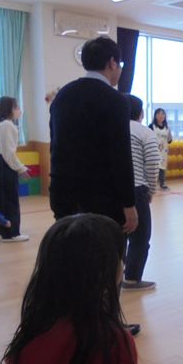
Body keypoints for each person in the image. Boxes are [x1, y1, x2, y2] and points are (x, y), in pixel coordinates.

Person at [2, 214, 157, 364]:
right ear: (103, 272)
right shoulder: (110, 341)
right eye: (120, 258)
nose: (123, 266)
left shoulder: (37, 324)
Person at [49, 36, 141, 335]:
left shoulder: (63, 96)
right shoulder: (115, 100)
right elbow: (119, 156)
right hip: (104, 199)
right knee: (109, 262)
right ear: (112, 63)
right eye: (120, 64)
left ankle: (74, 324)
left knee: (71, 259)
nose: (120, 70)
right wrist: (129, 203)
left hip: (64, 195)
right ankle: (108, 325)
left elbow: (55, 148)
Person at [123, 94, 160, 291]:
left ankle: (111, 275)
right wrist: (151, 190)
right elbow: (153, 162)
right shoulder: (144, 132)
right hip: (137, 190)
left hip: (110, 191)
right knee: (140, 236)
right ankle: (131, 279)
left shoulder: (110, 128)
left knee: (114, 234)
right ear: (141, 113)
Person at [0, 97, 29, 242]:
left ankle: (0, 227)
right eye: (16, 107)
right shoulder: (7, 125)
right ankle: (10, 233)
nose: (19, 110)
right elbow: (8, 153)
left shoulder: (0, 124)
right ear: (8, 110)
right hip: (1, 163)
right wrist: (21, 168)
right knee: (9, 198)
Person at [148, 108, 173, 190]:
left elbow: (169, 140)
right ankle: (151, 184)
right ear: (155, 116)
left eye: (162, 114)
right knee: (153, 168)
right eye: (158, 114)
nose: (161, 116)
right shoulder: (151, 126)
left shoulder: (167, 128)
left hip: (163, 151)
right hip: (153, 150)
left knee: (162, 167)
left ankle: (162, 183)